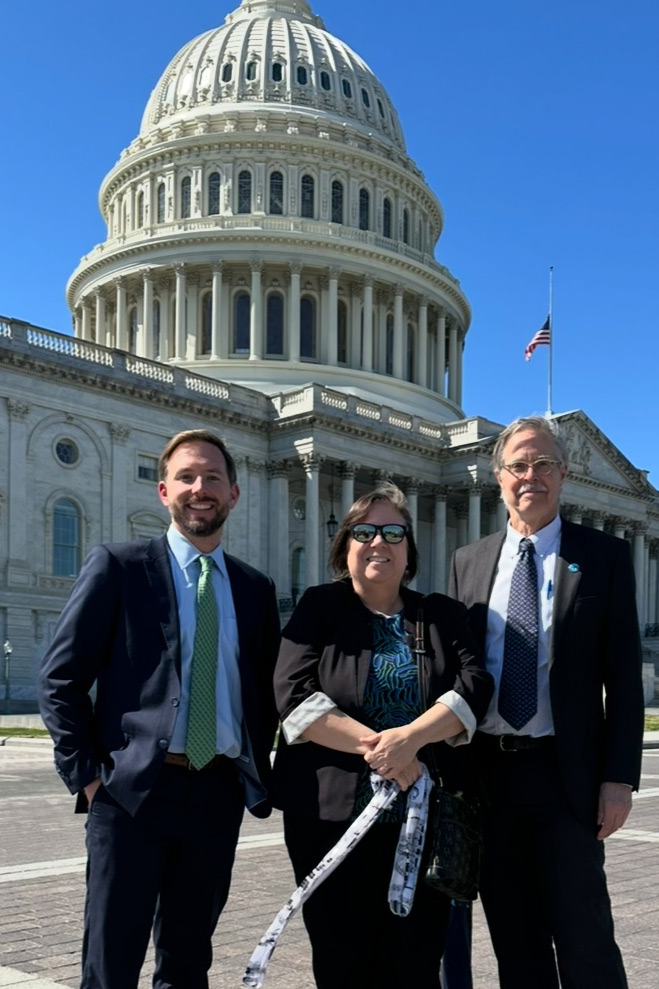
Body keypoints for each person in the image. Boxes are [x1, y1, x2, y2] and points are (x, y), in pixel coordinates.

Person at [38, 429, 280, 989]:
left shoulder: (253, 587)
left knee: (188, 964)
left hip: (215, 794)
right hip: (130, 796)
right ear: (164, 491)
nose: (201, 488)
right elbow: (60, 678)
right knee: (110, 963)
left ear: (234, 495)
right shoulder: (118, 566)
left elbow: (265, 693)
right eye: (188, 477)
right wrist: (90, 779)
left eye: (213, 478)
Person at [449, 415, 644, 989]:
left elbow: (625, 680)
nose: (529, 476)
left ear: (563, 475)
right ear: (497, 477)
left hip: (566, 774)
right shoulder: (470, 560)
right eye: (518, 466)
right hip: (490, 775)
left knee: (585, 937)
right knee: (515, 939)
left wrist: (618, 779)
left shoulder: (603, 556)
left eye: (543, 465)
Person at [272, 484, 493, 989]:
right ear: (343, 545)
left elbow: (475, 683)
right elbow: (292, 692)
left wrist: (411, 739)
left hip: (424, 821)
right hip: (329, 819)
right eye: (364, 532)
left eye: (394, 532)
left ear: (409, 549)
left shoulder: (438, 614)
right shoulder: (320, 607)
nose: (379, 543)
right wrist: (386, 751)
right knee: (340, 958)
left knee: (415, 963)